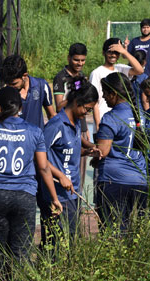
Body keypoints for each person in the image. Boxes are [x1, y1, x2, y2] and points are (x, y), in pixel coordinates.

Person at [0, 86, 63, 277]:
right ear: (20, 108)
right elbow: (44, 166)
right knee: (21, 249)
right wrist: (54, 198)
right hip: (25, 194)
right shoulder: (34, 131)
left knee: (1, 247)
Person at [39, 78, 100, 251]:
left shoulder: (74, 124)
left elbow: (70, 148)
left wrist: (89, 150)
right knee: (55, 243)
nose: (86, 114)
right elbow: (39, 157)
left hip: (72, 193)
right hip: (57, 194)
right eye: (86, 109)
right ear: (76, 102)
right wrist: (59, 176)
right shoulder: (56, 124)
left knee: (71, 240)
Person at [93, 73, 148, 234]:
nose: (103, 96)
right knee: (135, 233)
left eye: (105, 92)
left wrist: (87, 152)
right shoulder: (140, 115)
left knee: (113, 232)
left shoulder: (111, 118)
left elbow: (102, 151)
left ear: (114, 94)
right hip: (139, 180)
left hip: (114, 181)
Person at [53, 42, 97, 184]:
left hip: (80, 127)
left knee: (81, 168)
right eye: (76, 60)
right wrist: (73, 95)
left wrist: (85, 129)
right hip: (66, 128)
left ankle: (78, 201)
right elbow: (59, 106)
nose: (80, 63)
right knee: (67, 165)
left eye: (83, 60)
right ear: (69, 58)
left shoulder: (82, 77)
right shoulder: (61, 78)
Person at [89, 38, 144, 130]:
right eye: (110, 52)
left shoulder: (121, 69)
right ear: (103, 53)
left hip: (120, 122)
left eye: (116, 53)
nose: (113, 55)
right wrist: (98, 125)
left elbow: (140, 70)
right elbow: (95, 101)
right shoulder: (96, 73)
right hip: (104, 121)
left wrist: (124, 52)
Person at [0, 54, 56, 129]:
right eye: (8, 84)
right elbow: (0, 123)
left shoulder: (41, 85)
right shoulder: (5, 95)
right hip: (17, 139)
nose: (10, 87)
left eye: (14, 84)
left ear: (24, 76)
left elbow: (51, 115)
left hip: (37, 139)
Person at [130, 50, 149, 118]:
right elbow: (145, 101)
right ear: (144, 62)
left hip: (128, 111)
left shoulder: (127, 74)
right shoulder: (144, 78)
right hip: (140, 112)